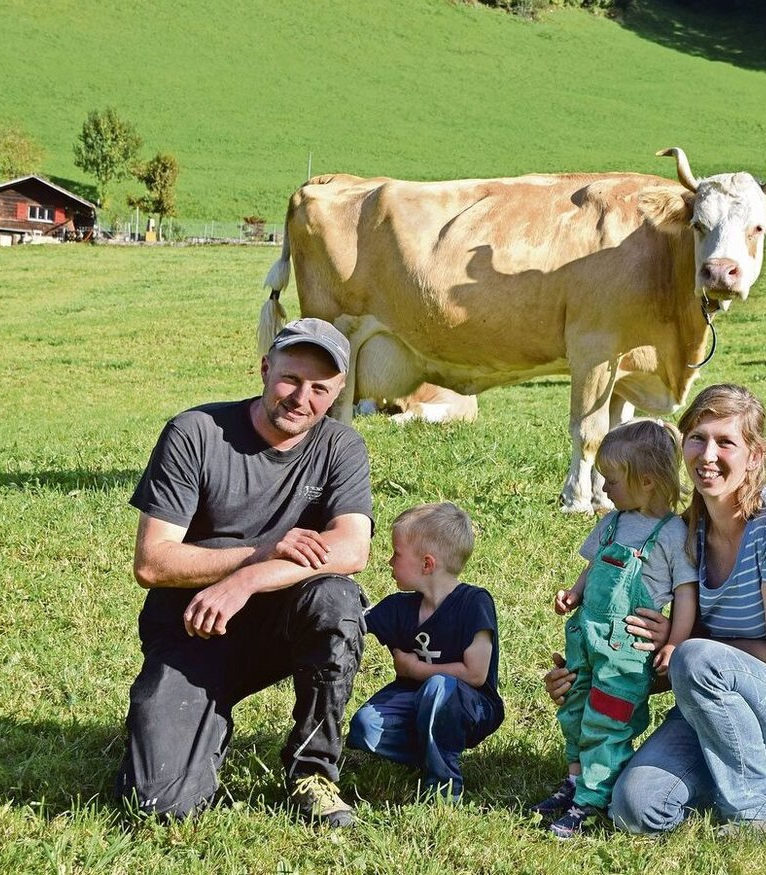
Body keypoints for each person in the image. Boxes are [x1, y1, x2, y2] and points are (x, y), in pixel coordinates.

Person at [544, 384, 766, 835]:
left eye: (725, 441)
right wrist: (592, 674)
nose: (708, 454)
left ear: (754, 455)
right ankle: (737, 764)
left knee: (696, 654)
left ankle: (761, 809)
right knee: (636, 807)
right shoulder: (683, 533)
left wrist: (684, 643)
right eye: (697, 438)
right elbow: (678, 663)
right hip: (714, 705)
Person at [116, 317, 373, 828]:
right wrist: (257, 551)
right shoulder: (195, 433)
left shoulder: (340, 447)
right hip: (193, 630)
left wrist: (250, 577)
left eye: (321, 388)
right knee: (158, 807)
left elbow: (351, 549)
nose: (303, 397)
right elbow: (152, 561)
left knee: (337, 601)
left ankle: (312, 771)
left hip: (281, 627)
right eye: (291, 379)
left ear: (339, 391)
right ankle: (192, 728)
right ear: (264, 368)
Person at [531, 419, 698, 838]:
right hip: (586, 635)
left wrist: (676, 641)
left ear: (645, 482)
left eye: (611, 480)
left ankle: (592, 798)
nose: (604, 488)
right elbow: (595, 566)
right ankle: (573, 782)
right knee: (574, 707)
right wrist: (573, 594)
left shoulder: (671, 534)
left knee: (608, 720)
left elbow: (686, 594)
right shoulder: (613, 523)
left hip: (627, 648)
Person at [347, 502, 503, 801]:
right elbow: (355, 620)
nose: (389, 562)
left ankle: (444, 785)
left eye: (396, 554)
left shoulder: (474, 602)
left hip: (472, 706)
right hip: (414, 701)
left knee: (438, 686)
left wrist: (415, 670)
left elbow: (475, 672)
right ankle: (435, 751)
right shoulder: (399, 607)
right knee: (364, 728)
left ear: (427, 564)